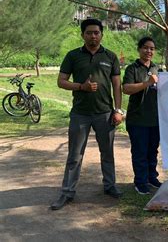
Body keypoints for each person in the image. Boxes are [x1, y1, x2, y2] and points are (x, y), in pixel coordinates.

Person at [51, 18, 124, 210]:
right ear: (82, 34)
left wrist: (118, 110)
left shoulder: (111, 56)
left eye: (96, 32)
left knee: (107, 153)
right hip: (80, 114)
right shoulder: (73, 56)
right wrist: (81, 86)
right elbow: (61, 81)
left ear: (102, 34)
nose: (93, 36)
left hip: (105, 114)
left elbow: (117, 85)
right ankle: (67, 192)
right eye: (89, 32)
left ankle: (110, 186)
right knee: (75, 155)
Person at [123, 37, 162, 195]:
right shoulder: (132, 68)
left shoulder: (157, 68)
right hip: (138, 118)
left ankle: (152, 177)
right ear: (139, 49)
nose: (149, 51)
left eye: (152, 48)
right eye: (145, 48)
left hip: (156, 119)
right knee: (139, 152)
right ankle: (140, 181)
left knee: (152, 151)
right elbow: (126, 88)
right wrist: (147, 83)